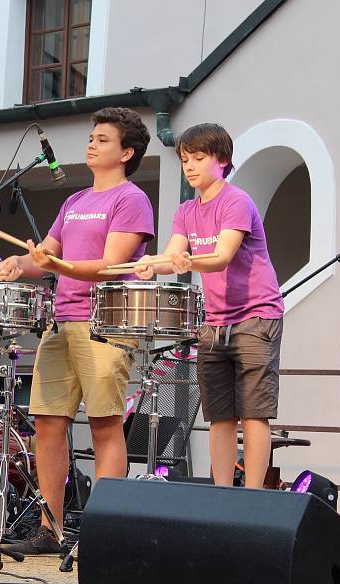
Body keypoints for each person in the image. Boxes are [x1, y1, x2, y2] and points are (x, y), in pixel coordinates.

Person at [0, 107, 155, 554]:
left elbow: (112, 264)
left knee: (105, 426)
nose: (91, 143)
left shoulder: (130, 199)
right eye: (91, 137)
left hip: (103, 323)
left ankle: (104, 532)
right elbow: (44, 255)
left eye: (102, 139)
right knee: (46, 424)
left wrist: (55, 264)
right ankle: (51, 528)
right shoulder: (74, 202)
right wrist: (19, 264)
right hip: (61, 321)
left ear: (126, 152)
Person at [136, 122, 283, 489]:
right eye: (185, 159)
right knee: (219, 416)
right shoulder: (187, 210)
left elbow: (221, 256)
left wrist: (187, 261)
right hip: (215, 322)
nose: (189, 165)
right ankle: (222, 495)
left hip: (256, 317)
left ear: (222, 161)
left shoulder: (236, 201)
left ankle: (251, 497)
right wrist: (152, 264)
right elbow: (174, 257)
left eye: (198, 158)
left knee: (253, 414)